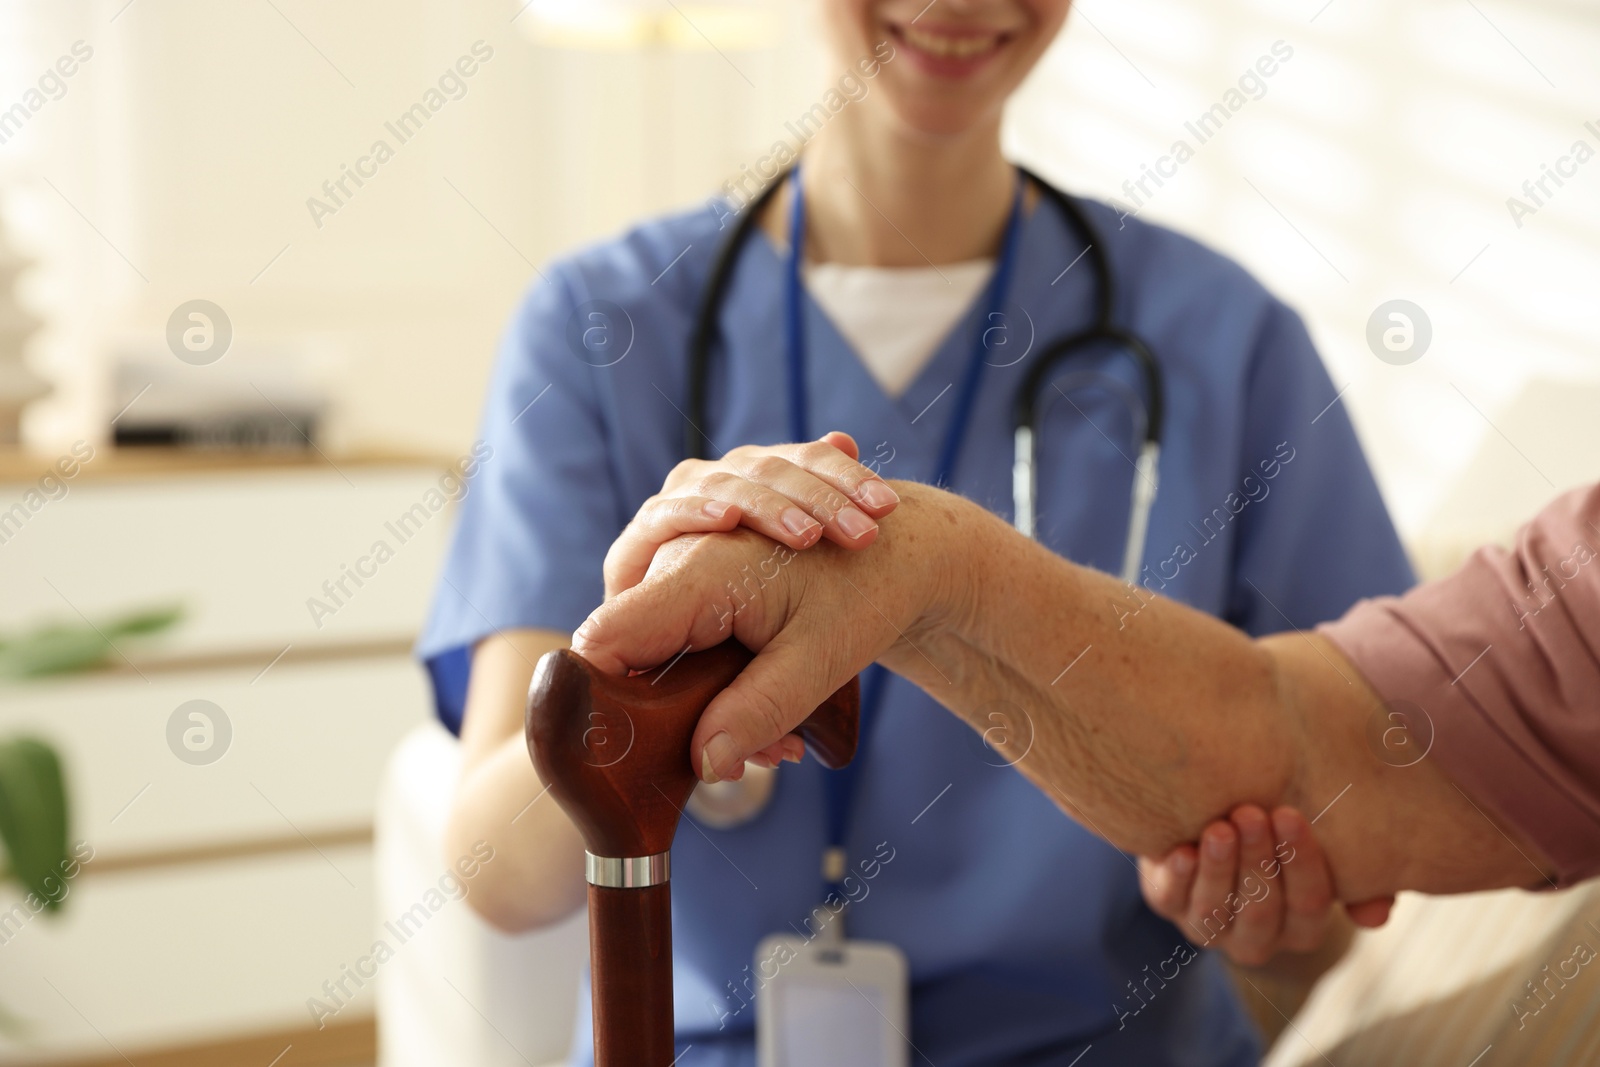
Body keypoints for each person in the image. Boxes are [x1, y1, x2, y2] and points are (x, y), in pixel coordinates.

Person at [417, 1, 1414, 1061]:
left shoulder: (1226, 339)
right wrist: (654, 676)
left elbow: (1345, 847)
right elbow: (497, 873)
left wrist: (1274, 925)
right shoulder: (598, 326)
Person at [574, 455, 1600, 906]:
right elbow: (1308, 739)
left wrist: (925, 570)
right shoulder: (599, 310)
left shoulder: (1224, 325)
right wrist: (618, 736)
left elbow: (1308, 799)